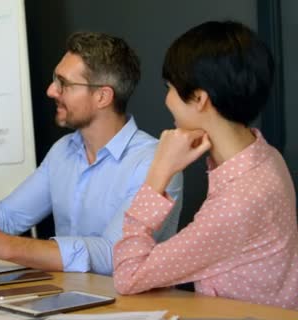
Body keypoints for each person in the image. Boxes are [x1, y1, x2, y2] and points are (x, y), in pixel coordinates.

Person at [0, 32, 183, 274]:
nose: (51, 91)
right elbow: (4, 219)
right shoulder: (63, 152)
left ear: (102, 96)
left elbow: (113, 254)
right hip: (71, 300)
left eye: (63, 84)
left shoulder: (154, 162)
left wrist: (6, 247)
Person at [113, 21, 298, 309]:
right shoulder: (265, 155)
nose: (167, 99)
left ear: (199, 98)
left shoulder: (236, 204)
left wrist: (158, 173)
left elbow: (128, 275)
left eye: (170, 88)